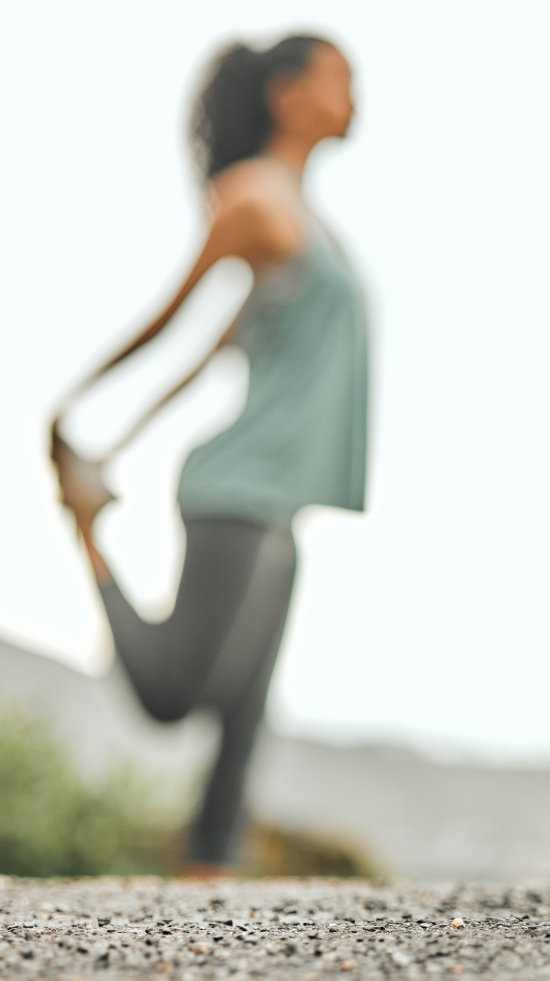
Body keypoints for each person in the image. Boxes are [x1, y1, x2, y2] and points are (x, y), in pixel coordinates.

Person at [49, 32, 370, 877]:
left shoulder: (306, 218)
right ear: (287, 95)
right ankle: (87, 536)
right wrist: (77, 408)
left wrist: (114, 444)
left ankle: (208, 881)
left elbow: (217, 351)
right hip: (234, 485)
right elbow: (174, 322)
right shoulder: (253, 201)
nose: (354, 91)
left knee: (246, 707)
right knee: (172, 694)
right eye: (338, 75)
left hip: (280, 493)